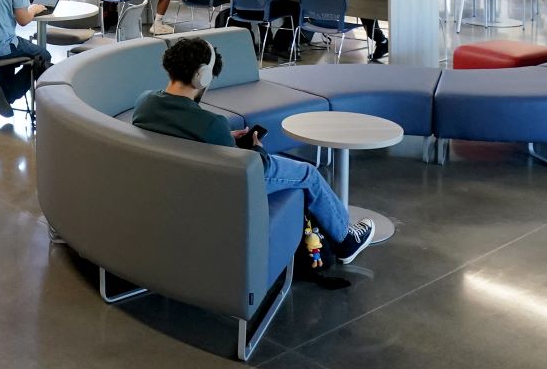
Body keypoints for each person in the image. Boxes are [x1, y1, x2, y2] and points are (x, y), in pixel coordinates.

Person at [132, 37, 378, 263]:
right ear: (203, 77)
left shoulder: (145, 103)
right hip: (218, 189)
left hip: (172, 185)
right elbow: (248, 170)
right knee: (309, 175)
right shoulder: (211, 124)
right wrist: (257, 149)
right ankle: (346, 240)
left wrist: (224, 137)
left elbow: (178, 131)